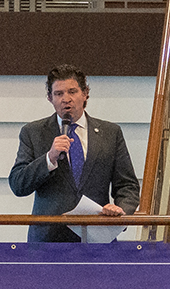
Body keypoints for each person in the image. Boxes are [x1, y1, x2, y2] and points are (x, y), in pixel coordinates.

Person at [9, 64, 141, 243]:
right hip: (48, 242)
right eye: (58, 94)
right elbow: (18, 184)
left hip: (97, 238)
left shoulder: (110, 133)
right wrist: (49, 158)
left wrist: (119, 210)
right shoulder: (33, 132)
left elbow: (128, 186)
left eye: (72, 92)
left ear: (85, 93)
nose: (66, 99)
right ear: (49, 98)